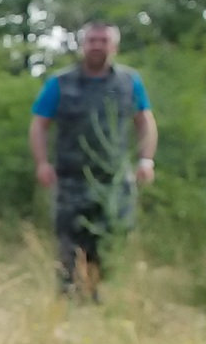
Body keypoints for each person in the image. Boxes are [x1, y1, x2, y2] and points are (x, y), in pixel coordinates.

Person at [28, 20, 157, 300]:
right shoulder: (60, 83)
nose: (97, 46)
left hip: (113, 180)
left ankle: (104, 298)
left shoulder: (129, 82)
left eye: (103, 41)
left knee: (111, 240)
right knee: (70, 243)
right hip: (72, 178)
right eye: (91, 41)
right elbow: (39, 124)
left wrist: (146, 161)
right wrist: (42, 163)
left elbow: (144, 121)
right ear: (82, 45)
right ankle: (71, 300)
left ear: (114, 46)